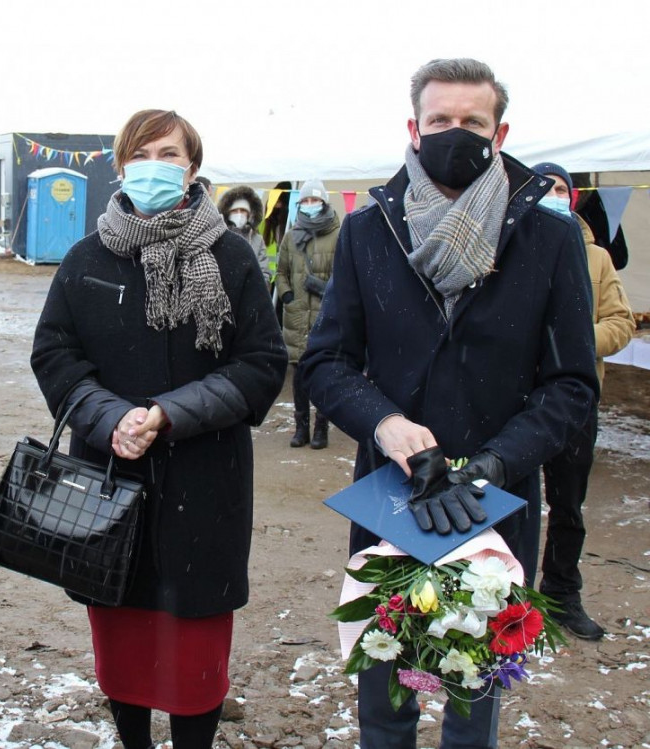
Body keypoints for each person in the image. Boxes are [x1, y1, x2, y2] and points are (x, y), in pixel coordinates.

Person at [299, 59, 598, 748]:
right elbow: (327, 362)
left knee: (472, 700)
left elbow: (572, 384)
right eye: (440, 120)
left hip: (496, 501)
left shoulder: (550, 240)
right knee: (388, 691)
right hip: (392, 495)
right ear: (413, 127)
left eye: (472, 121)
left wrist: (496, 461)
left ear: (500, 132)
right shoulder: (370, 231)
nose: (454, 133)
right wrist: (387, 422)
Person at [31, 109, 286, 749]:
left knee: (195, 650)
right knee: (123, 640)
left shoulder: (231, 256)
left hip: (205, 481)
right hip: (108, 479)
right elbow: (56, 355)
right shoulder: (87, 257)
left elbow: (260, 363)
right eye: (141, 154)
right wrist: (108, 416)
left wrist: (173, 413)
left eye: (169, 154)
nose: (154, 166)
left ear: (192, 167)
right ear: (119, 166)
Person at [531, 161, 635, 641]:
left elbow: (621, 323)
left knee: (568, 505)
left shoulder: (597, 259)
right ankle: (506, 598)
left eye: (559, 189)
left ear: (572, 197)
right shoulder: (510, 250)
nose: (551, 195)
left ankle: (561, 595)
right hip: (518, 404)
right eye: (542, 188)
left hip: (574, 400)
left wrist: (571, 339)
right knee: (510, 501)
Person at [275, 178, 340, 449]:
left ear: (324, 202)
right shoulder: (292, 235)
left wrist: (325, 289)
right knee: (300, 375)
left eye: (315, 200)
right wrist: (287, 294)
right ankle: (300, 427)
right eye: (306, 201)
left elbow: (345, 277)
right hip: (297, 315)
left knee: (322, 373)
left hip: (325, 315)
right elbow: (281, 271)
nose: (310, 205)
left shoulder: (338, 234)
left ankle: (321, 428)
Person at [217, 185, 271, 286]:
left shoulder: (257, 239)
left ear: (249, 214)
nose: (239, 214)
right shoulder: (219, 236)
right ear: (227, 213)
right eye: (235, 211)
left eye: (243, 210)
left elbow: (265, 272)